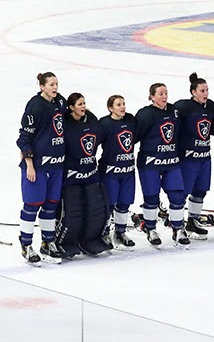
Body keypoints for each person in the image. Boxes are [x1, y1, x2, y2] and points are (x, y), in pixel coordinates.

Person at [17, 72, 66, 265]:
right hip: (38, 167)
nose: (55, 87)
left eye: (57, 84)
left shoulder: (59, 102)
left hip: (56, 165)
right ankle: (26, 245)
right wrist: (29, 165)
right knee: (32, 206)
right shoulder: (35, 105)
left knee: (51, 205)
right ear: (42, 86)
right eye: (51, 84)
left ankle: (47, 242)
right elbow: (24, 138)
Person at [56, 93, 111, 257]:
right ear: (71, 107)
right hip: (71, 175)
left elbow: (98, 137)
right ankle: (64, 241)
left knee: (96, 208)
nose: (83, 107)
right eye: (80, 104)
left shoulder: (91, 119)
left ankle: (90, 239)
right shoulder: (65, 123)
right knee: (73, 210)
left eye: (84, 103)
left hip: (91, 173)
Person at [135, 83, 189, 248]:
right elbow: (135, 136)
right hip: (150, 163)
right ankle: (151, 229)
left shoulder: (174, 111)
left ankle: (178, 228)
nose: (164, 96)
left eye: (166, 93)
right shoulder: (145, 114)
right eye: (160, 94)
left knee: (177, 195)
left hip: (171, 162)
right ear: (152, 96)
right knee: (151, 197)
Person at [174, 73, 214, 240]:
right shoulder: (183, 107)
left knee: (201, 190)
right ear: (193, 92)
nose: (206, 93)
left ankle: (193, 221)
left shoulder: (210, 106)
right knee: (183, 192)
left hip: (204, 157)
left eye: (207, 90)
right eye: (202, 91)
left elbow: (213, 127)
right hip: (188, 158)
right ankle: (178, 225)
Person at [99, 95, 137, 249]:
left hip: (128, 171)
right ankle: (104, 232)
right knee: (109, 203)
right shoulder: (104, 124)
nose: (122, 107)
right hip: (110, 172)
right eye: (118, 104)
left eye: (123, 103)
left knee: (124, 202)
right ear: (110, 108)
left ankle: (120, 233)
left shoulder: (130, 120)